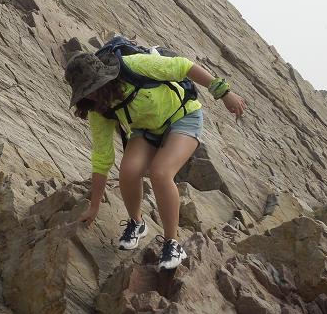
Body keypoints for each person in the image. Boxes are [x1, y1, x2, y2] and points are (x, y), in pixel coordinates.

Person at [64, 43, 246, 270]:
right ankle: (137, 224)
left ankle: (172, 243)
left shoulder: (133, 67)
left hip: (183, 117)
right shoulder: (97, 108)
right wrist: (94, 205)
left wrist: (223, 92)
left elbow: (184, 67)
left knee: (161, 173)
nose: (92, 93)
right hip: (147, 130)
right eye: (86, 90)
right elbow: (102, 156)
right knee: (128, 172)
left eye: (94, 86)